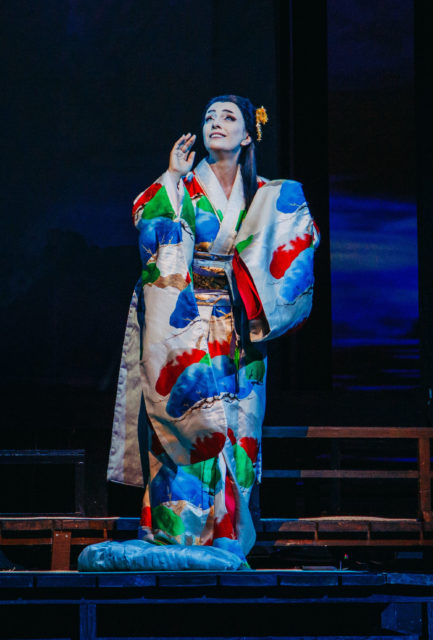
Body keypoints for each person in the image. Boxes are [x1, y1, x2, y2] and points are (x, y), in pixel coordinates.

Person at [107, 95, 319, 567]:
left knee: (237, 430)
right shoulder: (185, 186)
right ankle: (175, 532)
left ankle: (228, 534)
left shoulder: (265, 194)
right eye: (209, 117)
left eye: (228, 117)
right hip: (187, 323)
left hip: (240, 332)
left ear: (248, 135)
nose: (215, 124)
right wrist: (172, 177)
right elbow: (150, 225)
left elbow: (296, 247)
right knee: (185, 423)